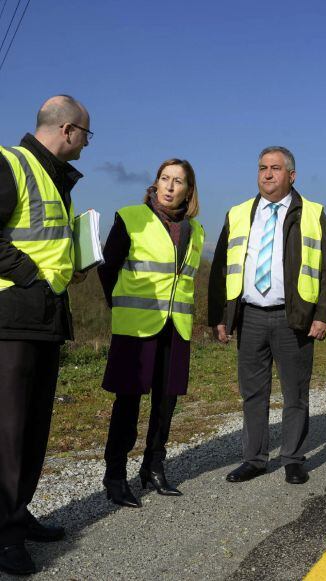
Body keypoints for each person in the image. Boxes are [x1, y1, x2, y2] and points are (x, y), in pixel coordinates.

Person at [0, 95, 91, 575]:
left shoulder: (55, 180)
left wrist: (70, 268)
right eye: (86, 135)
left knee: (34, 428)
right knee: (9, 432)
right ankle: (6, 537)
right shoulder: (10, 163)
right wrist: (33, 275)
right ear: (69, 129)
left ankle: (19, 513)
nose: (86, 145)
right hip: (12, 321)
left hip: (46, 321)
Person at [208, 146, 326, 486]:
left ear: (291, 175)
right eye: (263, 167)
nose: (267, 174)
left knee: (295, 392)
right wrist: (221, 316)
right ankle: (254, 459)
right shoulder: (238, 213)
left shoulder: (313, 213)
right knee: (253, 392)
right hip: (249, 316)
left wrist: (323, 314)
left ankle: (293, 458)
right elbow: (221, 267)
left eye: (275, 168)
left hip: (293, 317)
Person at [99, 159, 205, 508]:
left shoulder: (197, 231)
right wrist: (122, 306)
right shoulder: (131, 217)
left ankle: (153, 467)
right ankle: (115, 476)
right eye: (164, 179)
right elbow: (108, 269)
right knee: (127, 403)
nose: (170, 186)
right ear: (155, 183)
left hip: (176, 327)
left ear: (189, 190)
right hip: (136, 327)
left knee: (165, 402)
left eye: (178, 181)